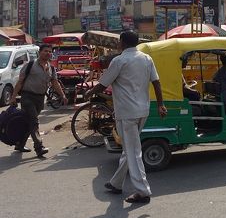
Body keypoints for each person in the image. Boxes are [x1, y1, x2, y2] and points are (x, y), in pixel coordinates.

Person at [85, 30, 167, 204]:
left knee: (133, 152)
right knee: (129, 149)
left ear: (121, 42)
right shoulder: (146, 59)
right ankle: (116, 183)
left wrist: (88, 93)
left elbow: (102, 84)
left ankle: (143, 190)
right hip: (143, 110)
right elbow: (157, 83)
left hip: (127, 113)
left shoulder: (119, 60)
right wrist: (160, 104)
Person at [9, 43, 67, 158]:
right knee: (34, 121)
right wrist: (13, 97)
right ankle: (39, 147)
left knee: (29, 122)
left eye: (50, 52)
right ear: (39, 52)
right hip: (27, 97)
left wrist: (63, 95)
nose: (48, 53)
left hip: (40, 99)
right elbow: (20, 82)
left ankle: (20, 144)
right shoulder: (30, 65)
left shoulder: (51, 68)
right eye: (45, 51)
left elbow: (54, 83)